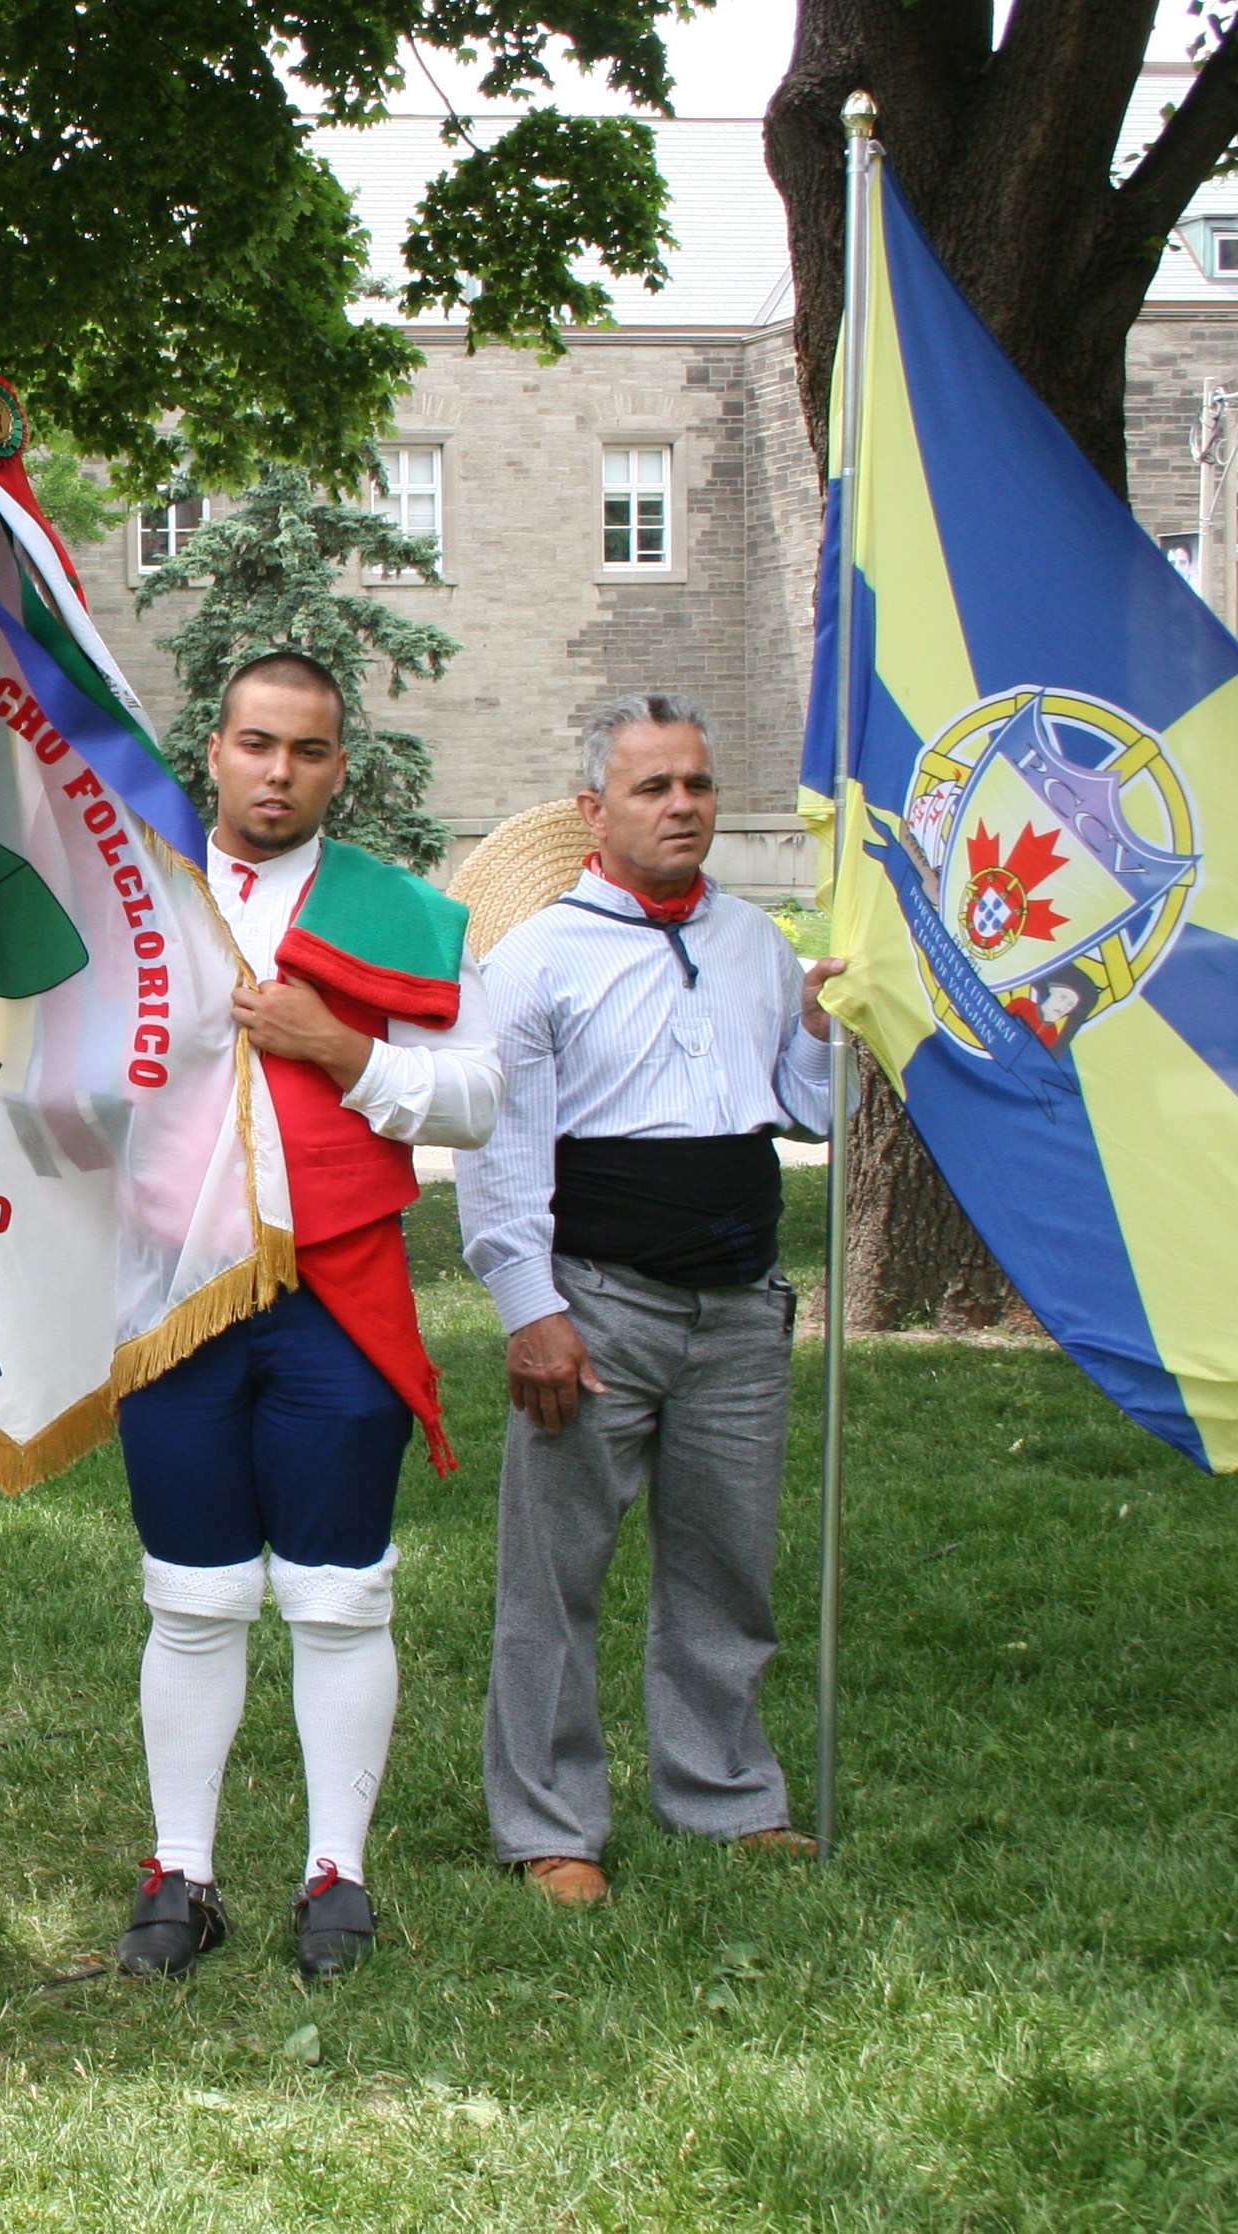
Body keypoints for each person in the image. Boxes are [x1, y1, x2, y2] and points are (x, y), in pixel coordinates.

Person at [115, 652, 501, 1984]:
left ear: (341, 765)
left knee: (338, 1596)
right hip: (171, 1291)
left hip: (336, 1289)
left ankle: (336, 1872)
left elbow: (478, 1099)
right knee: (192, 1594)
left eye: (309, 751)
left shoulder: (394, 911)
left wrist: (336, 1048)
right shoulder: (129, 892)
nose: (279, 772)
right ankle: (183, 1871)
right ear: (211, 748)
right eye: (257, 744)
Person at [457, 692, 843, 1903]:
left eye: (699, 784)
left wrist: (822, 1031)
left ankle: (724, 1791)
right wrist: (532, 1309)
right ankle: (550, 1821)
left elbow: (809, 1111)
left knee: (728, 1566)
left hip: (738, 1306)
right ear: (593, 809)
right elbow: (501, 1150)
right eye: (654, 788)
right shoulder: (533, 958)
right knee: (557, 1574)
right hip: (598, 1302)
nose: (684, 806)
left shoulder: (754, 943)